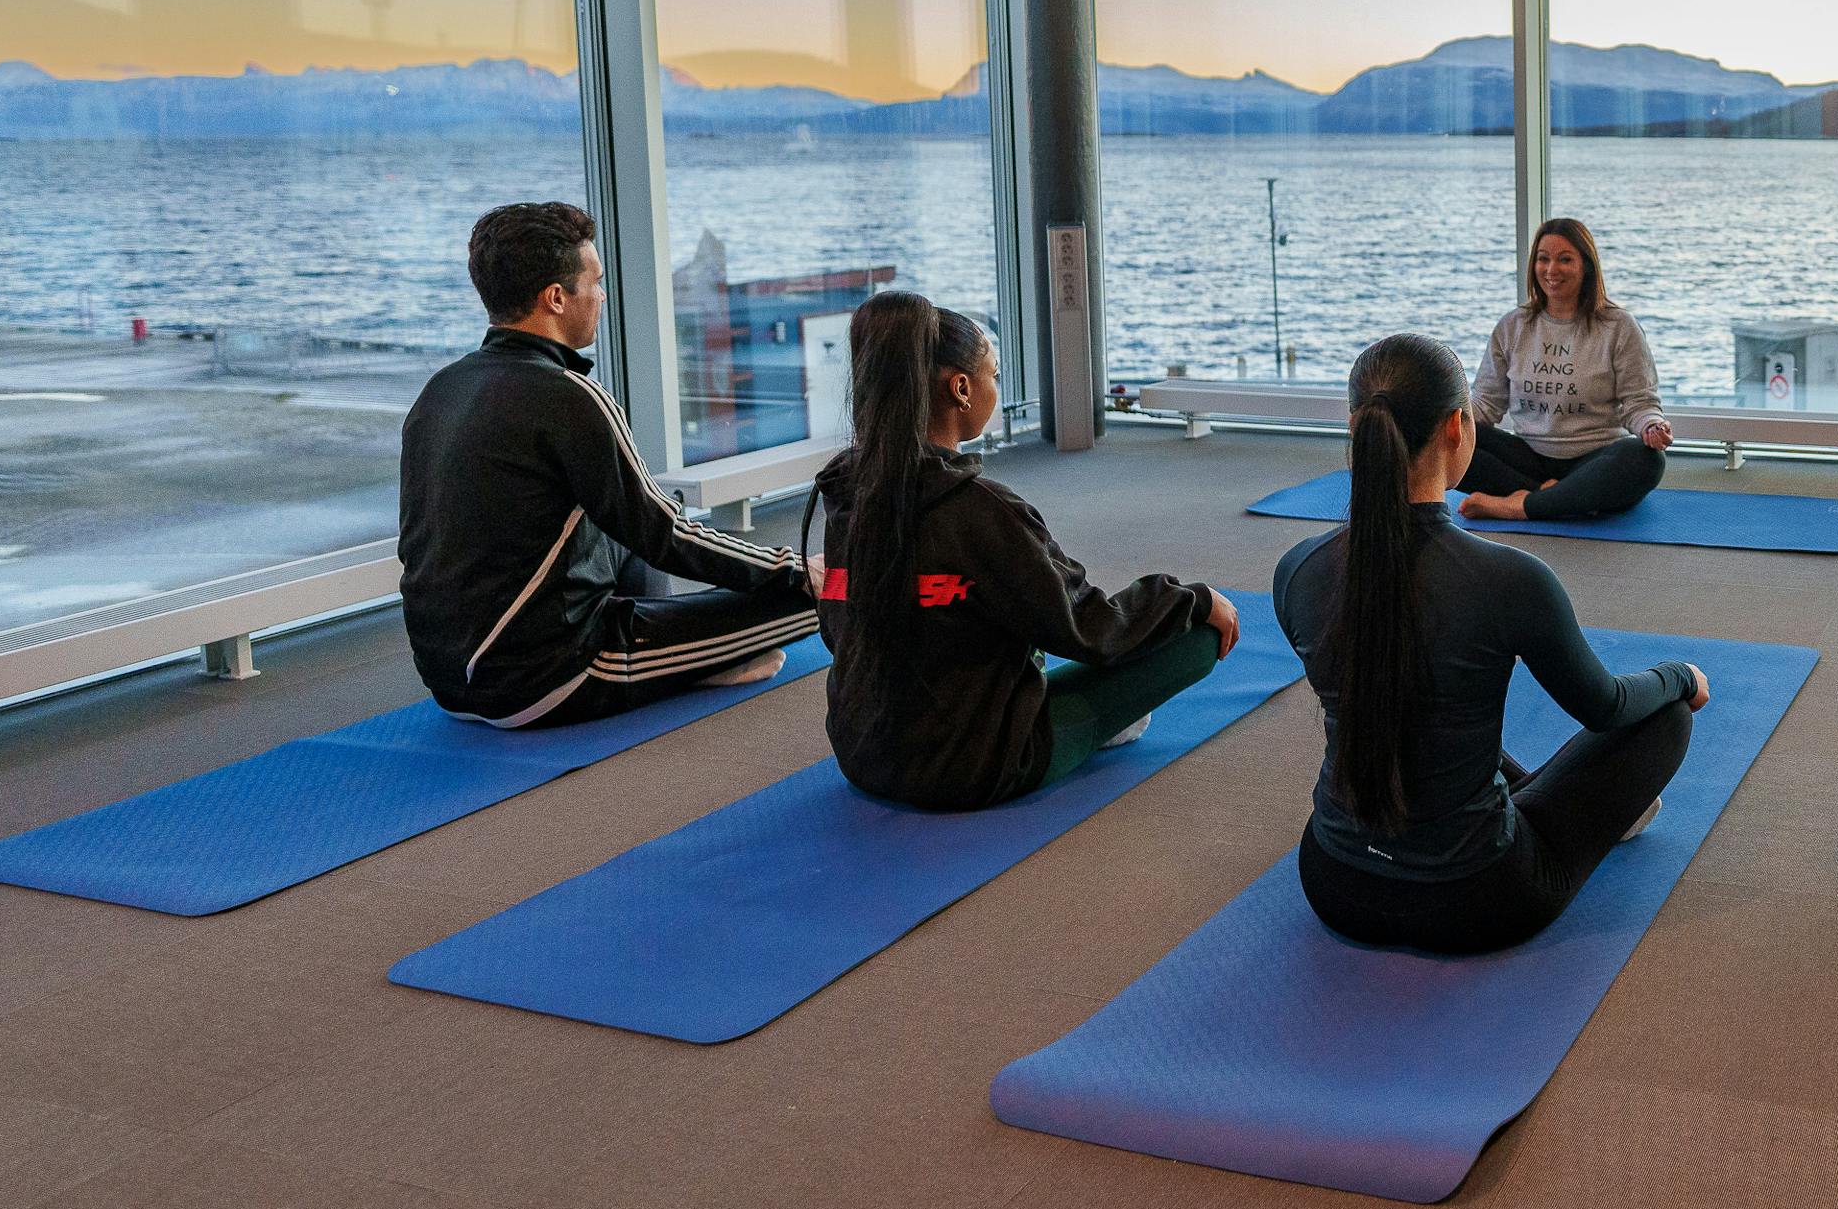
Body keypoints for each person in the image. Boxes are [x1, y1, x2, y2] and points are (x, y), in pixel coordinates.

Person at [1278, 332, 1705, 954]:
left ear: (1354, 429)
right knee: (1664, 719)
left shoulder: (1297, 568)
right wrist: (1679, 677)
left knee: (1419, 707)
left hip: (1335, 883)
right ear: (1459, 427)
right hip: (1479, 899)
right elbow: (1605, 706)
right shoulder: (1509, 579)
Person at [806, 290, 1241, 812]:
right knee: (1193, 639)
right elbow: (1089, 628)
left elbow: (839, 628)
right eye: (992, 373)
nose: (996, 384)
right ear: (961, 389)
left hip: (862, 754)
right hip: (971, 768)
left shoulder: (845, 493)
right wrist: (1191, 600)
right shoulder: (981, 510)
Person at [398, 201, 817, 726]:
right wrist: (798, 569)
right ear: (555, 298)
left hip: (447, 676)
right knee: (816, 597)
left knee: (629, 507)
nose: (601, 295)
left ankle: (667, 651)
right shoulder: (568, 397)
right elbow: (668, 537)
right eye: (593, 282)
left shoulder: (444, 387)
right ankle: (676, 663)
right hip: (543, 677)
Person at [1460, 217, 1673, 524]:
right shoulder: (1513, 325)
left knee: (1646, 460)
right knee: (1452, 440)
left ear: (1586, 266)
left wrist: (1652, 426)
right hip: (1527, 458)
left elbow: (1639, 403)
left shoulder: (1619, 326)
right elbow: (1486, 403)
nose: (1551, 270)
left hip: (1593, 458)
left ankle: (1518, 506)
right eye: (1543, 259)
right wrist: (1444, 424)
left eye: (1564, 259)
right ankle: (1559, 498)